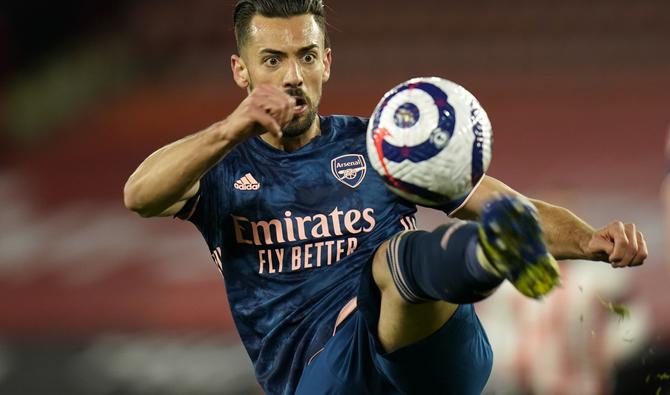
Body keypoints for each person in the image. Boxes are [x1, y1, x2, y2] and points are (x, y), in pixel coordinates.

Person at [123, 1, 648, 394]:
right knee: (390, 265)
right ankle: (481, 254)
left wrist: (591, 241)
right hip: (320, 376)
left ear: (326, 62)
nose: (292, 77)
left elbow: (502, 202)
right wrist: (230, 130)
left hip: (434, 355)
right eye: (272, 60)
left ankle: (488, 254)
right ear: (241, 71)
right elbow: (139, 195)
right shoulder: (219, 167)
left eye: (306, 57)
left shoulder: (381, 145)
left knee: (393, 262)